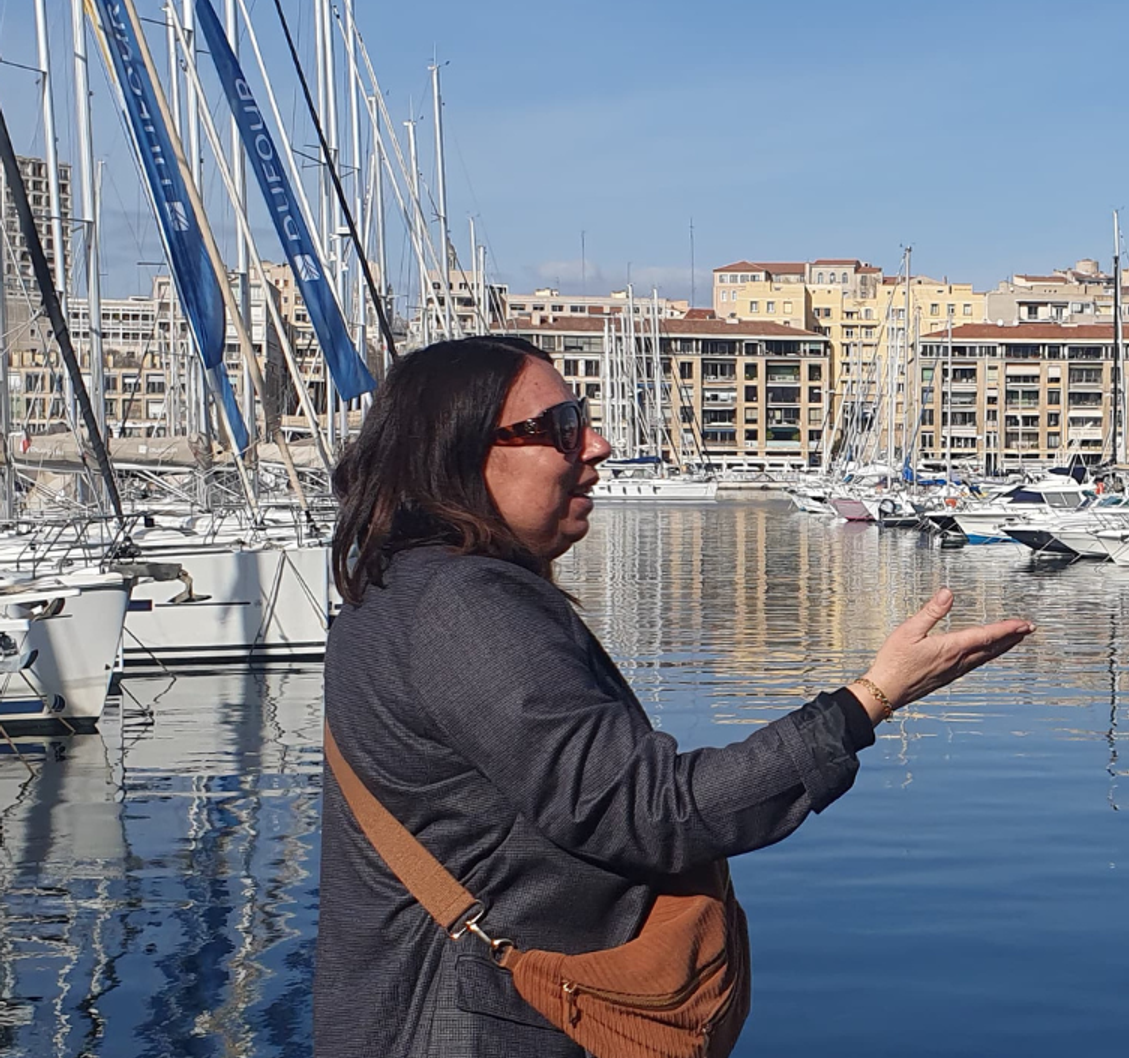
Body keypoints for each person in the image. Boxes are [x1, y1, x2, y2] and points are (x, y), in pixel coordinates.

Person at [315, 336, 1033, 1057]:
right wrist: (868, 700)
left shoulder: (397, 594)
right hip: (485, 1025)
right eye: (561, 428)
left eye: (584, 419)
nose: (595, 445)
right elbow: (647, 809)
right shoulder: (461, 604)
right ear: (462, 452)